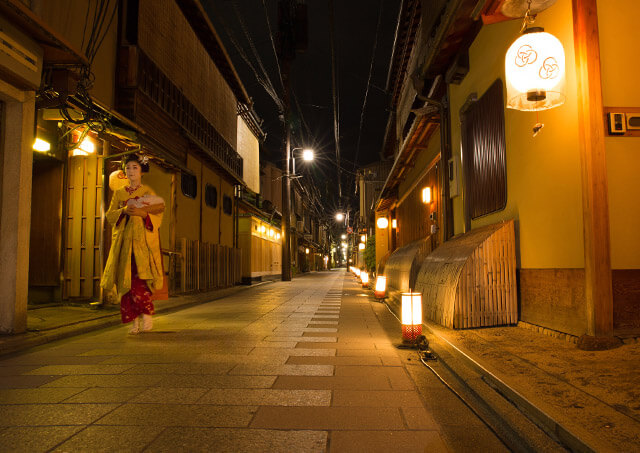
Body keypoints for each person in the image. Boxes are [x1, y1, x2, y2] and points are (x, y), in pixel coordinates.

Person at [101, 154, 165, 334]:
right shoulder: (119, 193)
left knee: (139, 281)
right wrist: (123, 210)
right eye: (128, 168)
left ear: (141, 171)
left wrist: (142, 214)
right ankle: (133, 321)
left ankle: (146, 315)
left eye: (135, 167)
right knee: (126, 282)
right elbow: (110, 215)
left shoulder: (147, 192)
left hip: (142, 244)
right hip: (124, 244)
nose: (131, 171)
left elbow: (157, 216)